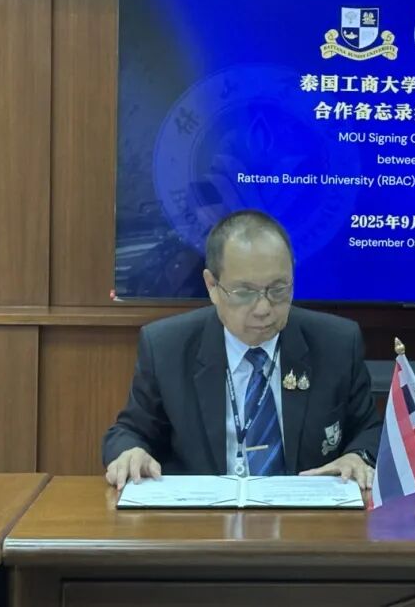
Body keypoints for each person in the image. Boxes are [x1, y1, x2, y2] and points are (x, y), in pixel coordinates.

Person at [103, 209, 382, 491]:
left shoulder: (336, 343)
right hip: (203, 512)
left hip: (307, 511)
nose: (263, 308)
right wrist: (131, 452)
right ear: (212, 286)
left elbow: (370, 430)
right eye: (244, 293)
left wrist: (357, 456)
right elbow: (129, 431)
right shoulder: (167, 347)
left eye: (278, 289)